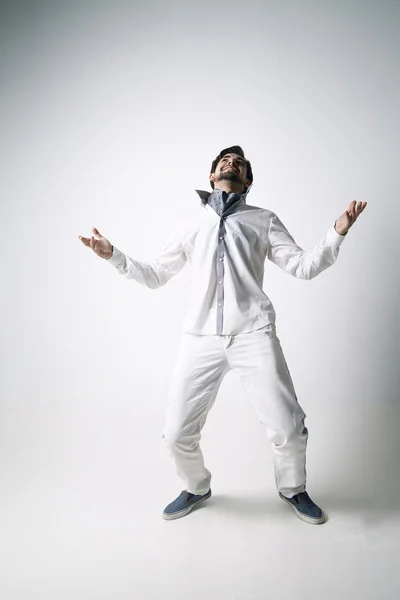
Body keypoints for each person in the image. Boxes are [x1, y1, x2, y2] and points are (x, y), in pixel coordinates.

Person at [79, 145, 367, 525]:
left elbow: (303, 266)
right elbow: (154, 275)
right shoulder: (188, 224)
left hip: (254, 333)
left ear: (247, 180)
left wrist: (336, 233)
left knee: (288, 427)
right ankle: (196, 486)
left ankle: (293, 488)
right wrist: (113, 255)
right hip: (200, 338)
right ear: (212, 176)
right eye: (224, 162)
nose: (231, 164)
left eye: (240, 164)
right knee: (175, 433)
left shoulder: (263, 220)